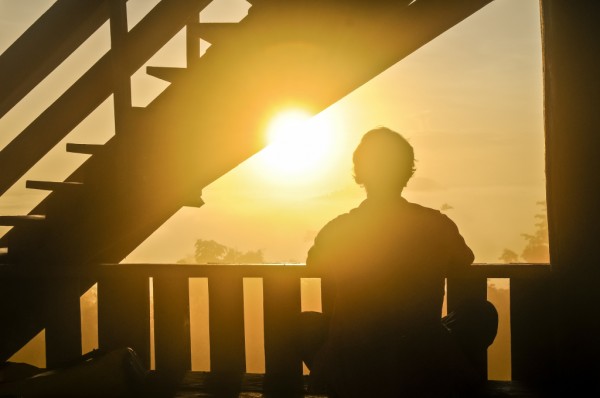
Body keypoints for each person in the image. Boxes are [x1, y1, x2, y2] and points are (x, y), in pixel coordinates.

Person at [303, 127, 497, 397]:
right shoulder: (435, 225)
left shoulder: (339, 229)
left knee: (306, 324)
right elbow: (463, 261)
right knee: (479, 312)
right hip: (421, 359)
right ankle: (463, 383)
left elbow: (315, 264)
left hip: (352, 364)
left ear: (360, 172)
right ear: (406, 172)